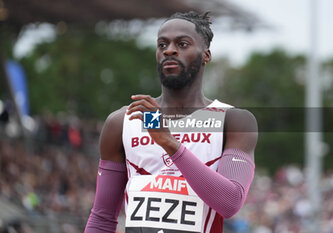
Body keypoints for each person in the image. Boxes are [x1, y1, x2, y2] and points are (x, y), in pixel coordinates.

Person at [84, 11, 258, 233]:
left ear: (206, 55)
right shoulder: (123, 122)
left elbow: (230, 202)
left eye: (183, 44)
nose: (170, 50)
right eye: (162, 45)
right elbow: (102, 219)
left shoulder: (234, 121)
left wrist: (169, 142)